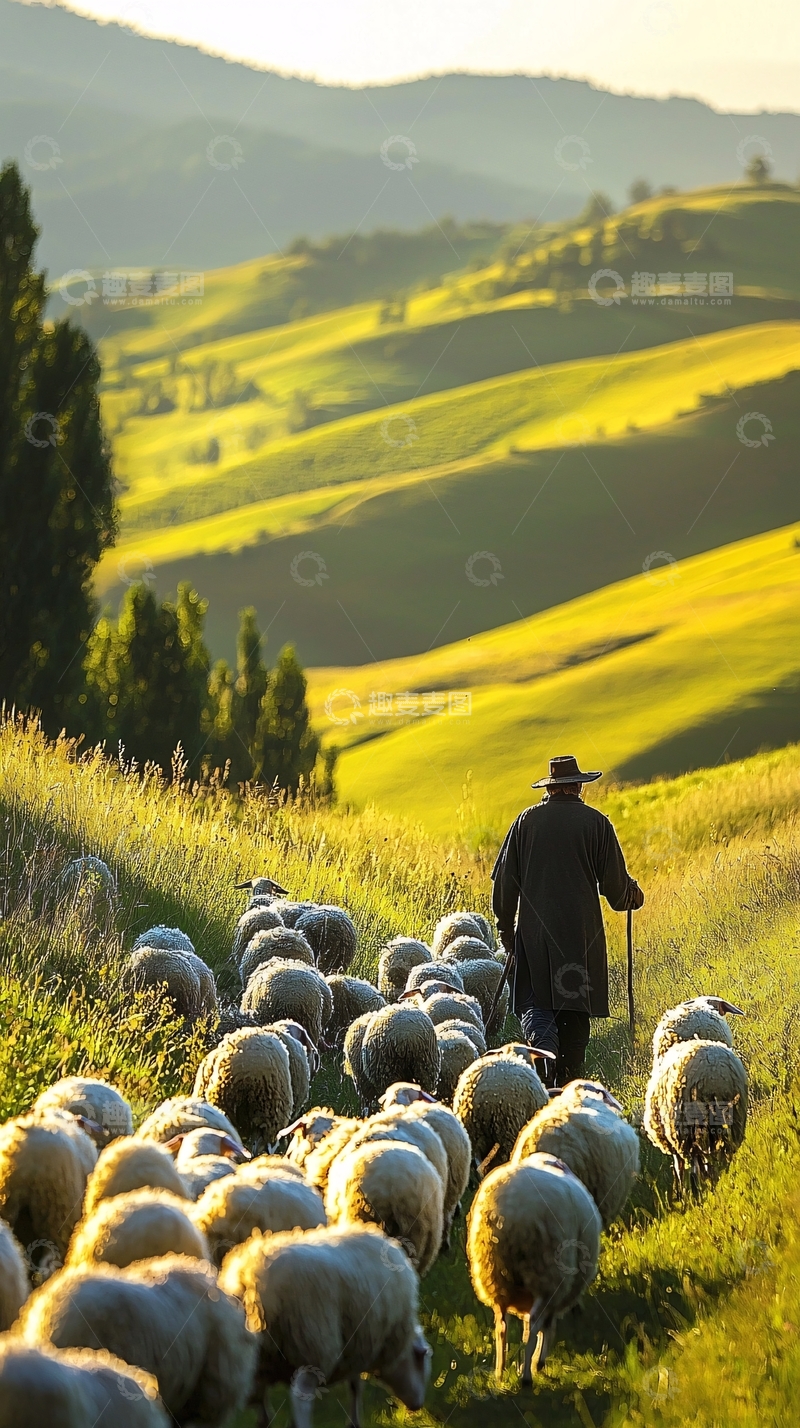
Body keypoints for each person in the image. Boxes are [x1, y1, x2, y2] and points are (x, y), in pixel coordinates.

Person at [491, 754, 643, 1086]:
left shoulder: (525, 822)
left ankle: (544, 1065)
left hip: (534, 937)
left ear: (551, 788)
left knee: (535, 1003)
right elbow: (617, 894)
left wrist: (506, 930)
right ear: (577, 786)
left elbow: (504, 884)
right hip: (581, 938)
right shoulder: (597, 823)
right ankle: (572, 1083)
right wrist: (633, 894)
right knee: (575, 1012)